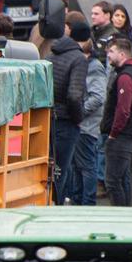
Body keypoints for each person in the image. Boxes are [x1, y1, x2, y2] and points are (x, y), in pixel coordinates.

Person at [46, 13, 87, 204]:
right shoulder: (78, 59)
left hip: (47, 118)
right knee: (61, 169)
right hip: (65, 122)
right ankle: (58, 206)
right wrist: (78, 119)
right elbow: (74, 95)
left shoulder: (52, 54)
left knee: (48, 167)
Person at [102, 34, 132, 206]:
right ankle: (128, 213)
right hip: (129, 136)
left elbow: (123, 110)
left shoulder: (126, 77)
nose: (108, 55)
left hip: (123, 137)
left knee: (113, 181)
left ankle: (121, 214)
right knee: (123, 178)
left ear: (122, 55)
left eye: (111, 51)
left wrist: (113, 133)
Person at [70, 27, 109, 207]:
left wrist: (79, 112)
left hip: (86, 126)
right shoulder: (84, 65)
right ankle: (78, 201)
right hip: (81, 125)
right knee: (78, 167)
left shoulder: (94, 67)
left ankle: (87, 203)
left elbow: (98, 97)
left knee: (86, 167)